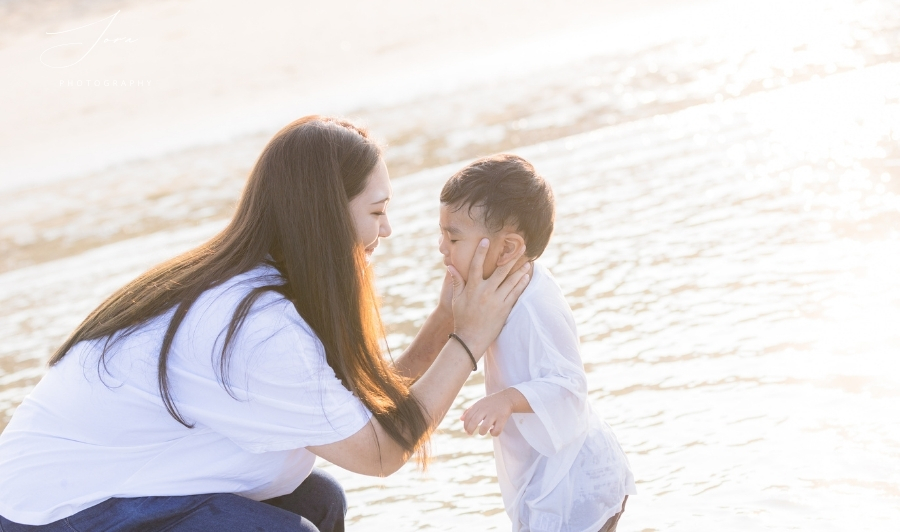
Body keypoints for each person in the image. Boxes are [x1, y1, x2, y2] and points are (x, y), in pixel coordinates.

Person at [0, 116, 532, 532]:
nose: (387, 229)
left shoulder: (259, 288)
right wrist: (469, 340)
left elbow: (364, 407)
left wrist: (445, 320)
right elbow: (379, 453)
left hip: (82, 496)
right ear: (325, 213)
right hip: (51, 515)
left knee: (319, 502)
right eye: (376, 211)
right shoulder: (258, 327)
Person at [438, 154, 637, 532]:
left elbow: (569, 386)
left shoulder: (532, 306)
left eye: (453, 237)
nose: (442, 248)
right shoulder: (503, 287)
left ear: (508, 249)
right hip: (553, 467)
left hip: (577, 479)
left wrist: (506, 399)